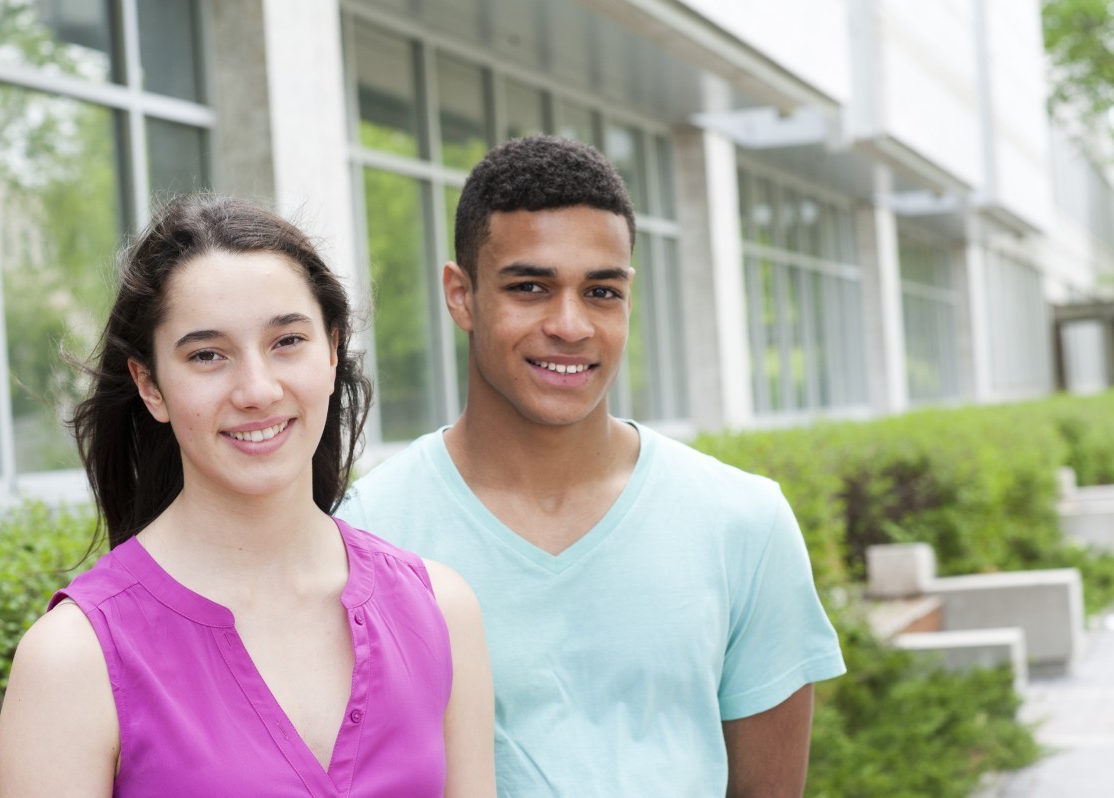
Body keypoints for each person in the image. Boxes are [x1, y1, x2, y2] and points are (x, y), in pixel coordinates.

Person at [339, 135, 846, 797]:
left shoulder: (744, 522)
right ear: (461, 296)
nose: (571, 325)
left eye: (602, 291)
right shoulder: (364, 533)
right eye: (530, 287)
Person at [0, 194, 495, 798]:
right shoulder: (73, 659)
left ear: (333, 351)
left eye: (287, 341)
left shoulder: (441, 610)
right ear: (150, 386)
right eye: (207, 355)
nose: (257, 390)